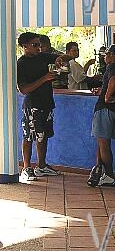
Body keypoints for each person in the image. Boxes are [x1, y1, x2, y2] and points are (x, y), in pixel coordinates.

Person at [16, 32, 74, 182]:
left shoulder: (42, 56)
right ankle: (26, 168)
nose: (39, 48)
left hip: (46, 103)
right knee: (29, 136)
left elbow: (68, 57)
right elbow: (23, 89)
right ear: (25, 46)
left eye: (40, 45)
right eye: (35, 45)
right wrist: (45, 78)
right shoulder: (21, 63)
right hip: (32, 105)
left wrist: (61, 59)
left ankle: (41, 166)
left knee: (44, 136)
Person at [88, 44, 115, 187]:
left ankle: (109, 176)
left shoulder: (112, 67)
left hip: (106, 109)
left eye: (107, 54)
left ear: (113, 55)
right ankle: (99, 172)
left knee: (104, 145)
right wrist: (102, 90)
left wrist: (106, 96)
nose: (105, 57)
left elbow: (114, 80)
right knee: (103, 144)